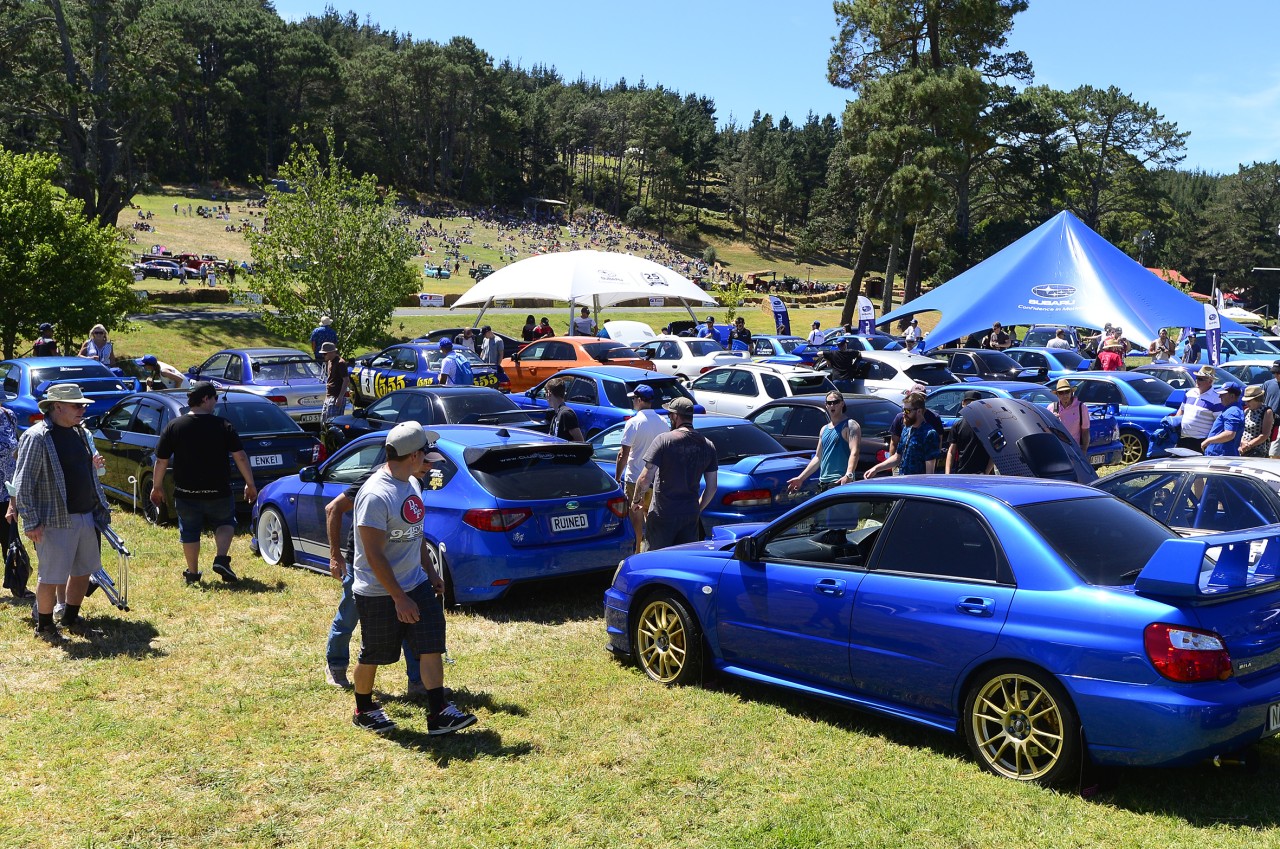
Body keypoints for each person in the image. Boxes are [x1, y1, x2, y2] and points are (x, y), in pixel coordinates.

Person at [349, 421, 475, 735]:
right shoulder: (376, 495)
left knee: (431, 642)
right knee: (375, 653)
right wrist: (398, 597)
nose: (430, 456)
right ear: (414, 455)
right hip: (379, 590)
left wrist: (431, 573)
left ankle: (438, 711)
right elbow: (373, 554)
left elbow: (414, 533)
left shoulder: (412, 485)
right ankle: (363, 708)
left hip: (415, 581)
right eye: (426, 451)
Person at [13, 384, 112, 642]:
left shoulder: (79, 433)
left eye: (83, 405)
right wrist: (31, 521)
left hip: (85, 515)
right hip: (53, 519)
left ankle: (70, 618)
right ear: (57, 407)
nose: (83, 409)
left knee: (82, 571)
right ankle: (45, 626)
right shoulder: (36, 437)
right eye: (77, 405)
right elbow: (23, 483)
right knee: (51, 576)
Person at [324, 464, 428, 695]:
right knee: (349, 616)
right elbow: (333, 508)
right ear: (410, 456)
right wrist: (335, 555)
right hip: (363, 566)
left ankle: (417, 682)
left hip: (401, 568)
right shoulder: (372, 482)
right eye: (426, 461)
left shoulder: (413, 484)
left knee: (411, 622)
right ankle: (336, 666)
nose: (429, 467)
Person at [151, 382, 257, 584]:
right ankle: (221, 558)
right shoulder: (223, 425)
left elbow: (161, 460)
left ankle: (192, 573)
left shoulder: (175, 426)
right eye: (214, 398)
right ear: (206, 399)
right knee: (226, 523)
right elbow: (240, 456)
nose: (216, 402)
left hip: (185, 492)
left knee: (189, 531)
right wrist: (250, 483)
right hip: (218, 491)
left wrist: (157, 487)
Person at [629, 397, 718, 550]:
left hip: (663, 514)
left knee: (655, 560)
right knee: (682, 563)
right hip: (689, 515)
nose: (669, 418)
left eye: (670, 415)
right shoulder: (708, 445)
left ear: (676, 416)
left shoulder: (664, 440)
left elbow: (644, 478)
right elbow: (712, 487)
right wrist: (697, 508)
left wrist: (636, 500)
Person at [614, 385, 669, 553]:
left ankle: (637, 553)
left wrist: (617, 477)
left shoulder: (633, 422)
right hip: (655, 479)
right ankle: (653, 553)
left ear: (639, 400)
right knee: (652, 520)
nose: (632, 401)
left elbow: (623, 454)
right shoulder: (663, 422)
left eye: (633, 399)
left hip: (634, 479)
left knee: (636, 522)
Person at [786, 392, 861, 493]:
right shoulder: (824, 429)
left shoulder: (850, 425)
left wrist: (849, 474)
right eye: (829, 403)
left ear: (842, 404)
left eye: (835, 402)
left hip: (840, 482)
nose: (832, 405)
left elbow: (854, 452)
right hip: (823, 483)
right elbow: (818, 457)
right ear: (826, 405)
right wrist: (801, 478)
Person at [1, 394, 31, 599]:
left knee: (10, 540)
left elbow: (17, 451)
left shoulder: (8, 415)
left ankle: (17, 584)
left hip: (7, 492)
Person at [865, 394, 940, 477]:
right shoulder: (906, 429)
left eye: (907, 411)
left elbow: (930, 471)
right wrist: (876, 469)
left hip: (917, 485)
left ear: (919, 411)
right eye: (903, 410)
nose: (904, 414)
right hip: (903, 482)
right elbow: (898, 457)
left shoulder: (929, 434)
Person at [1174, 366, 1223, 452]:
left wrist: (1210, 441)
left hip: (1201, 441)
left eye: (1201, 379)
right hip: (1182, 439)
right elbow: (1181, 410)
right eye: (1197, 378)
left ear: (1210, 381)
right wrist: (1174, 425)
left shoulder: (1216, 398)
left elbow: (1218, 423)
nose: (1197, 381)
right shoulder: (1190, 393)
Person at [946, 391, 994, 474]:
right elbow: (951, 451)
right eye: (967, 403)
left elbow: (994, 451)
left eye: (974, 404)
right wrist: (947, 474)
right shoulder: (958, 425)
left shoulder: (988, 426)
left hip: (982, 474)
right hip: (962, 473)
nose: (970, 406)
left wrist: (986, 472)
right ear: (963, 404)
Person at [1202, 383, 1245, 457]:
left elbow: (1229, 434)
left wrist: (1208, 441)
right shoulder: (1231, 409)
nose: (1219, 396)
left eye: (1223, 394)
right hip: (1220, 455)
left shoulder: (1232, 411)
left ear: (1232, 396)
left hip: (1222, 457)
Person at [1048, 379, 1090, 454]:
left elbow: (1085, 431)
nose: (1065, 395)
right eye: (1061, 393)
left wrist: (1084, 451)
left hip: (1075, 451)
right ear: (1057, 394)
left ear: (1071, 392)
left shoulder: (1081, 407)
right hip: (1058, 450)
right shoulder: (1051, 408)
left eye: (1067, 391)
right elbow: (1047, 431)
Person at [318, 342, 349, 425]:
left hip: (336, 397)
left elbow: (346, 380)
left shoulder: (340, 363)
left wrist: (340, 397)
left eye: (325, 354)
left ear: (332, 352)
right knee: (323, 421)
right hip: (329, 396)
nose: (323, 356)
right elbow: (330, 379)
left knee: (332, 422)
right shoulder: (329, 362)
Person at [1240, 384, 1274, 458]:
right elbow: (1242, 430)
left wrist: (1249, 445)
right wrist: (1243, 443)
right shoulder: (1247, 411)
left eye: (1249, 401)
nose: (1246, 403)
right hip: (1243, 449)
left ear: (1257, 399)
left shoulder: (1267, 411)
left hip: (1258, 451)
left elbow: (1265, 435)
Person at [1263, 361, 1280, 458]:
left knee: (1274, 452)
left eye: (1278, 373)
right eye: (1275, 373)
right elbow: (1262, 402)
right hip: (1267, 421)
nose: (1276, 375)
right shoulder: (1268, 384)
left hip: (1279, 424)